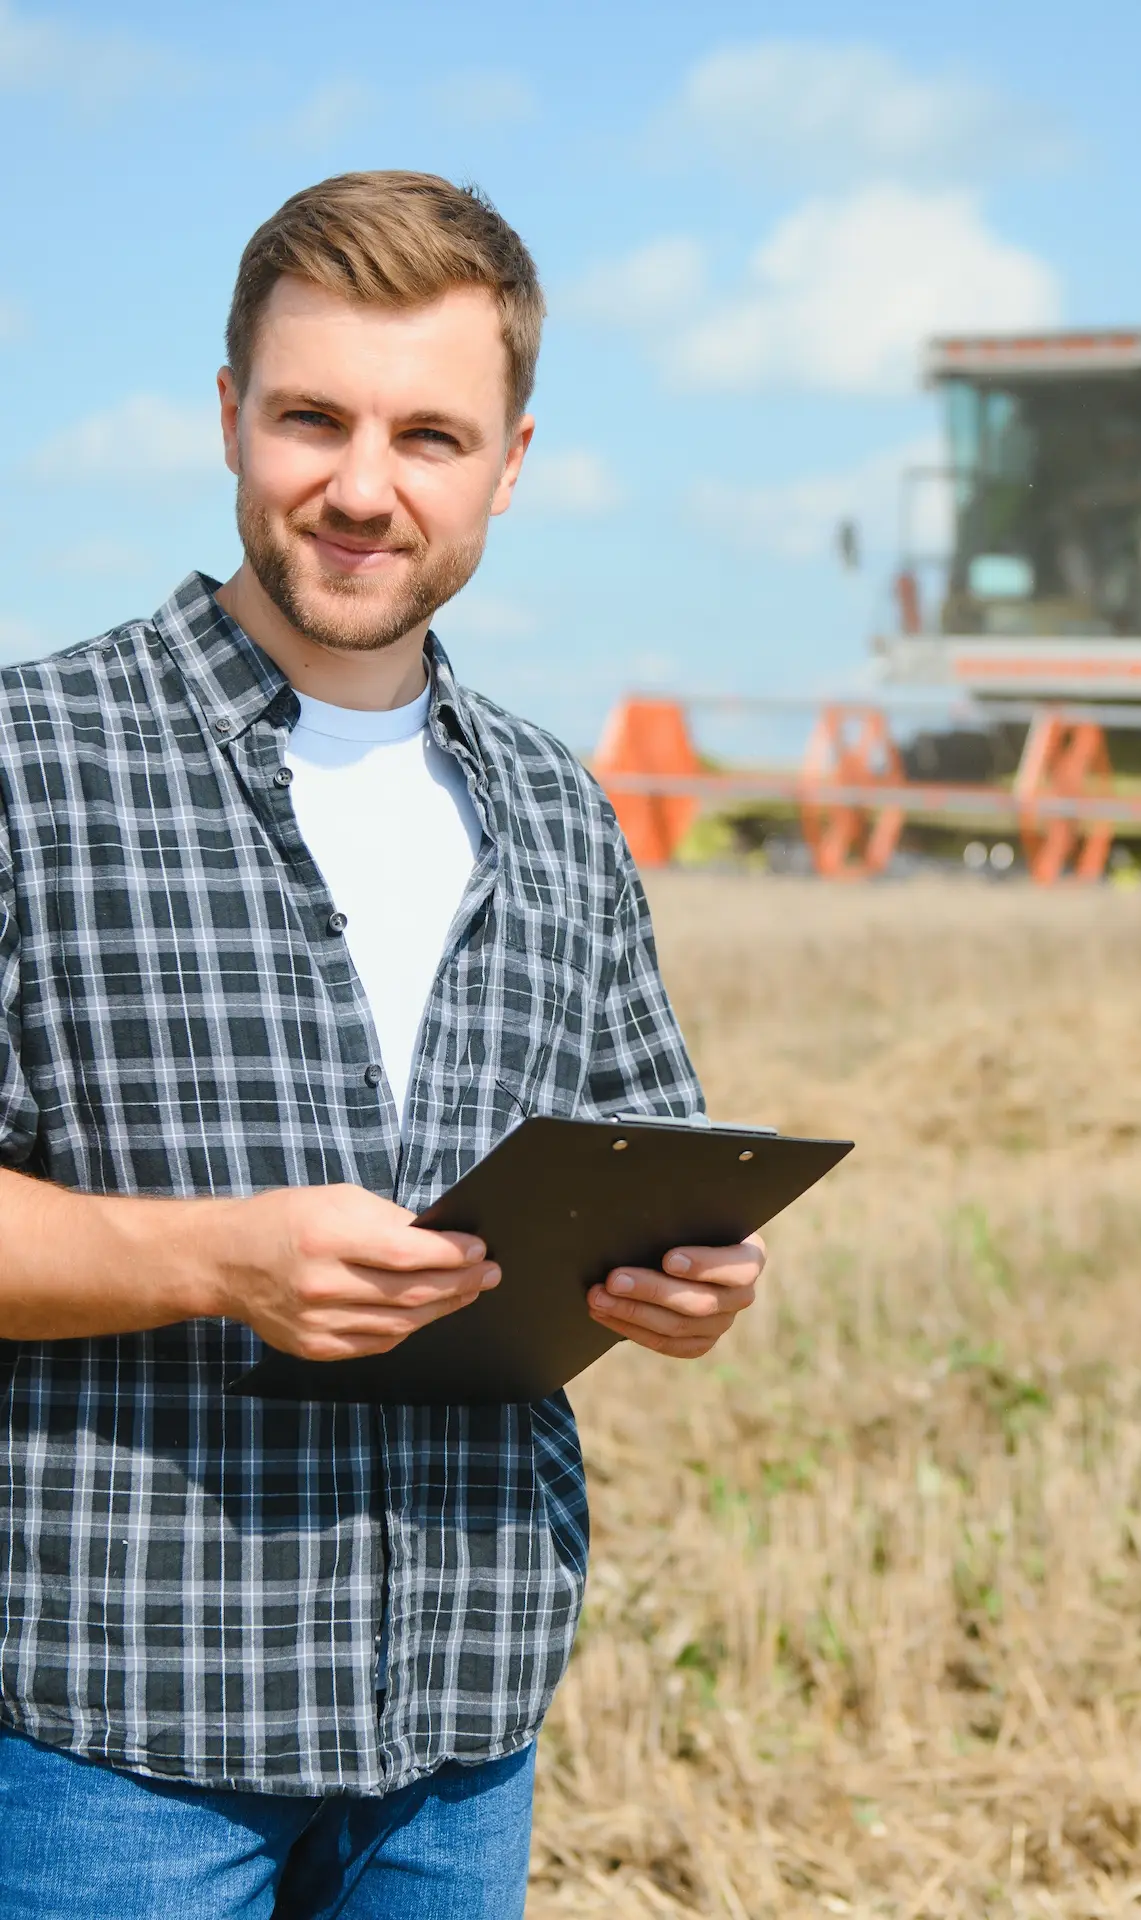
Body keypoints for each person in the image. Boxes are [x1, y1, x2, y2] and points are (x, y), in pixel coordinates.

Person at [0, 171, 761, 1917]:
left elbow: (656, 1171)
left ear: (510, 462)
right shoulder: (29, 765)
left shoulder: (559, 810)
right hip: (109, 1748)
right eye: (310, 419)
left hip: (459, 1743)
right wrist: (212, 1260)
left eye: (430, 433)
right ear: (225, 417)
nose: (362, 487)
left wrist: (693, 1294)